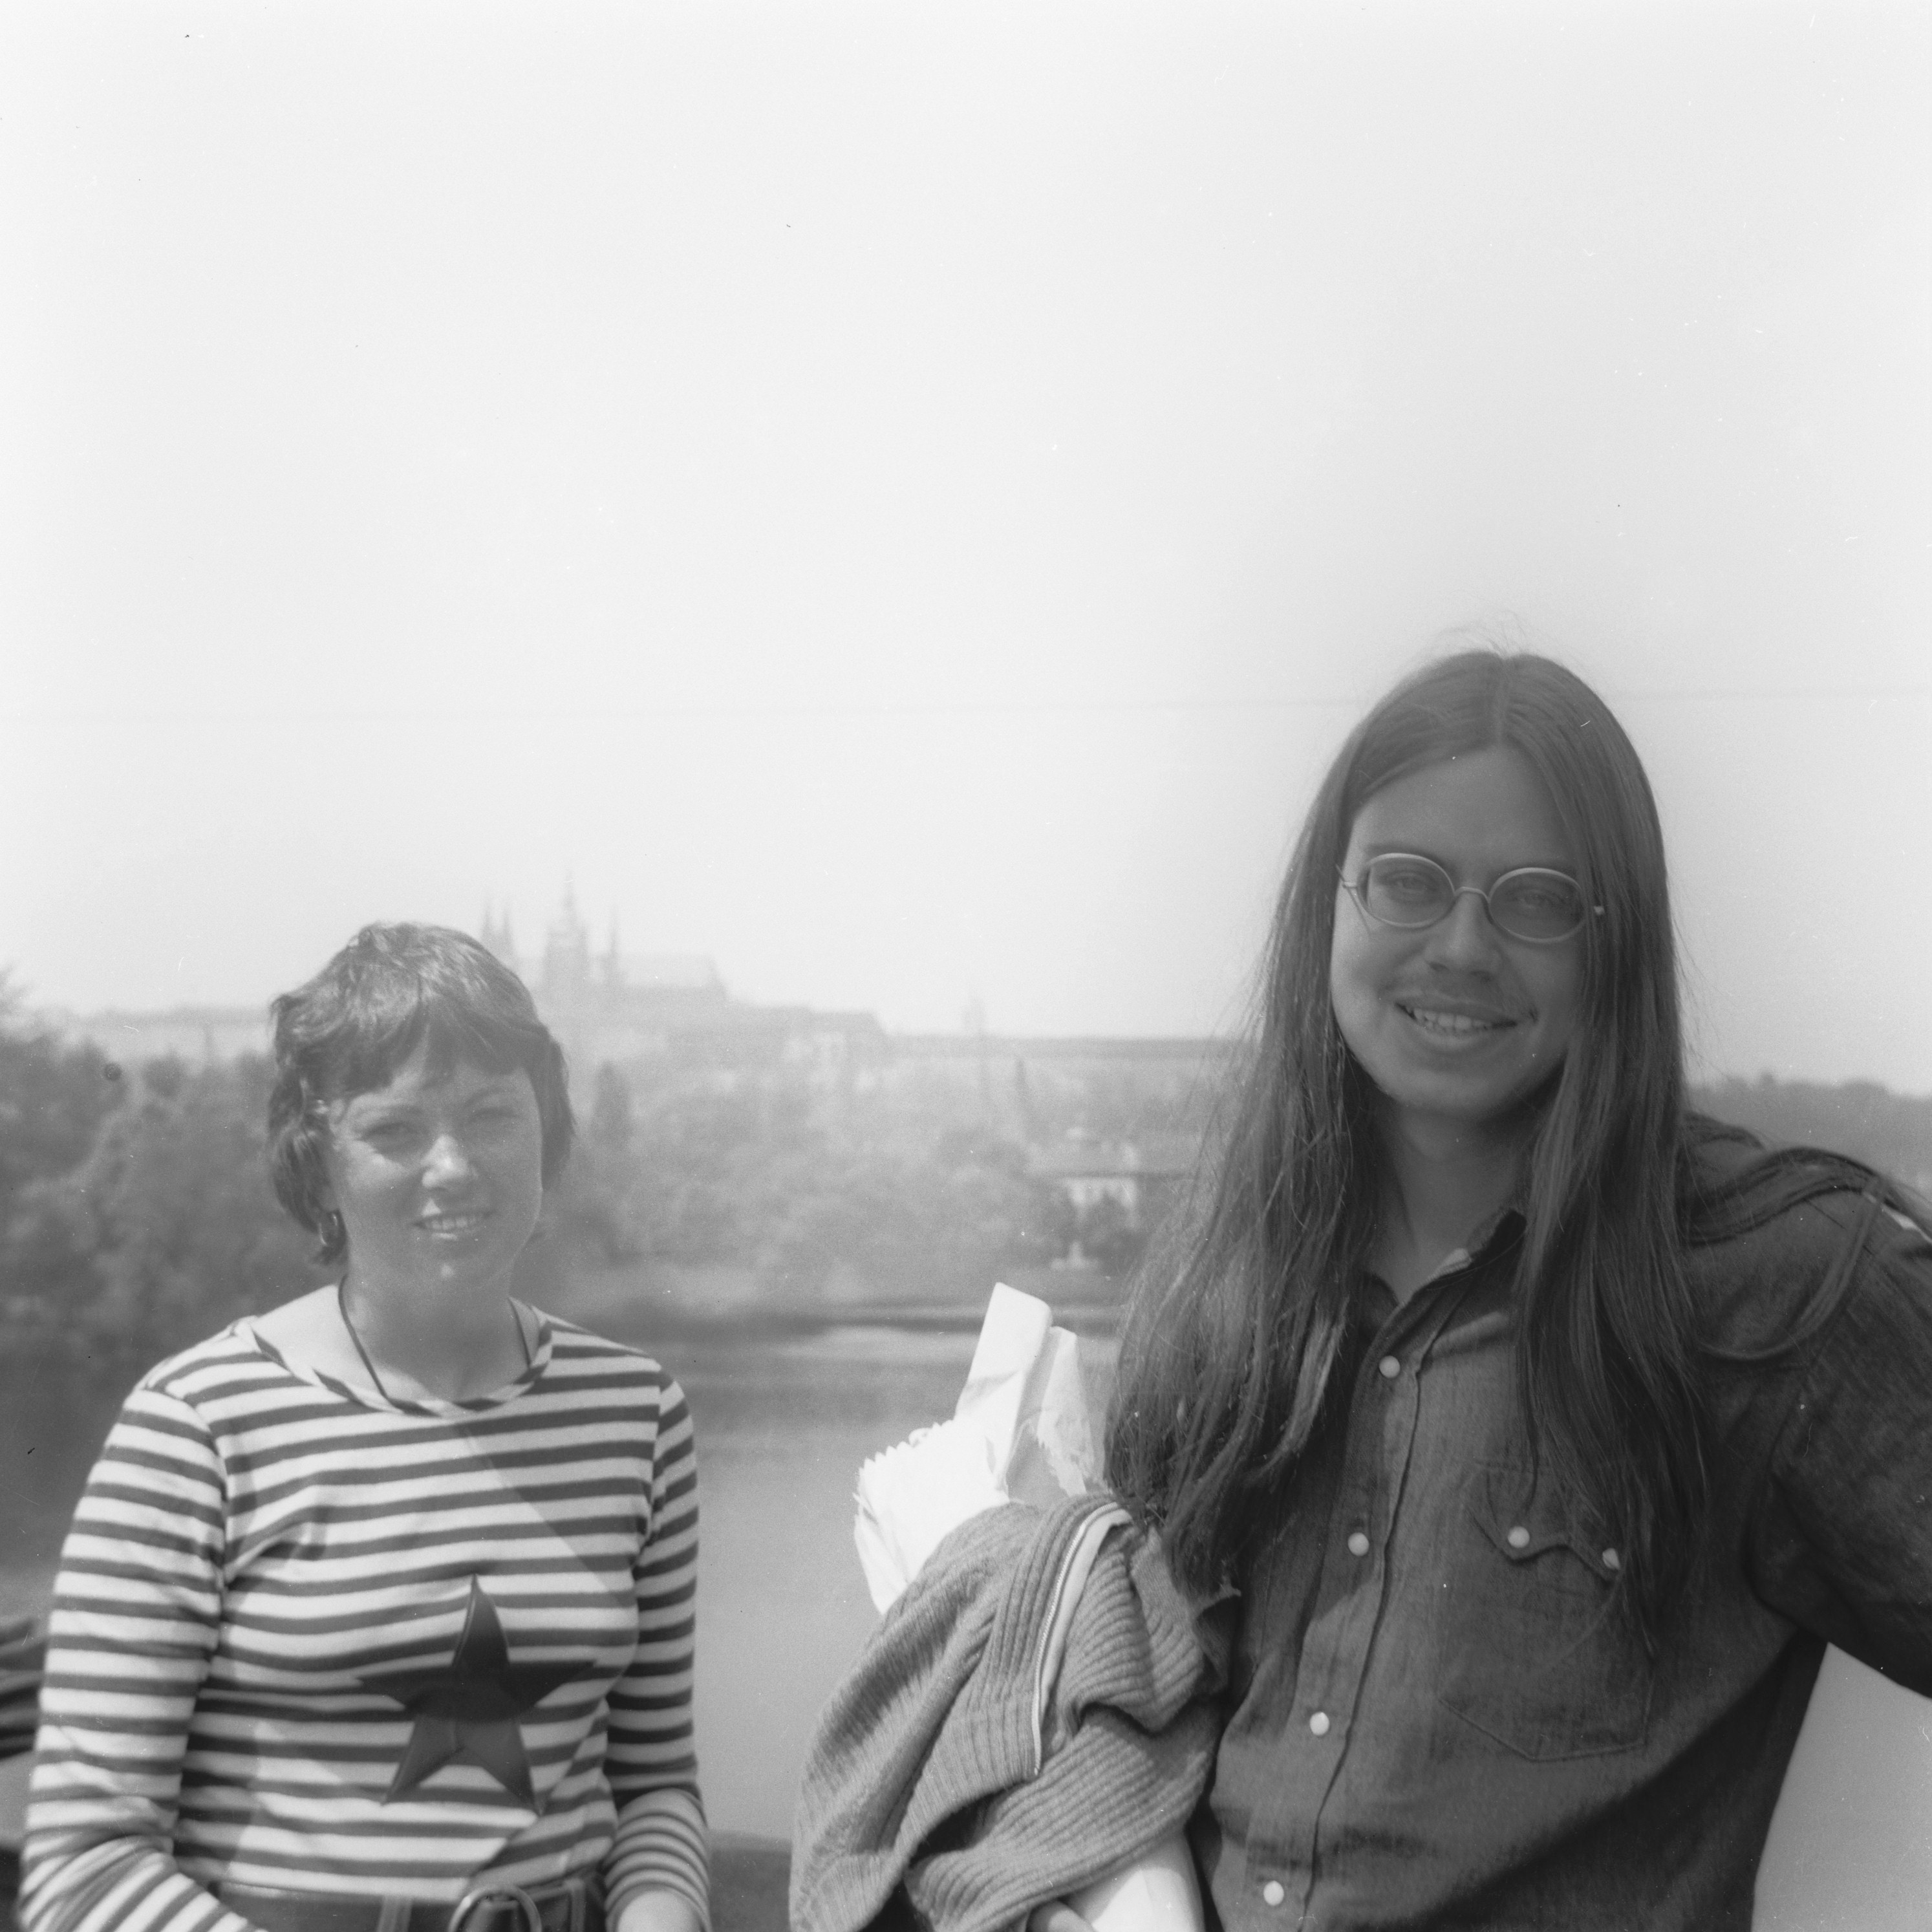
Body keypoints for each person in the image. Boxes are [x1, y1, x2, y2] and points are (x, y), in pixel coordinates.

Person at [1099, 649, 1932, 1929]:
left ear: (1618, 945)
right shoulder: (1229, 1288)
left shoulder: (1774, 1292)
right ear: (1329, 902)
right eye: (1407, 882)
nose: (1463, 947)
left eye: (1539, 900)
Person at [21, 923, 708, 1932]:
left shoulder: (638, 1415)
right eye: (394, 1130)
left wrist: (662, 1915)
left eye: (491, 1116)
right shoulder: (197, 1428)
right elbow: (83, 1870)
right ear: (320, 1160)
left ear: (548, 1129)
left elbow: (654, 1787)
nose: (454, 1167)